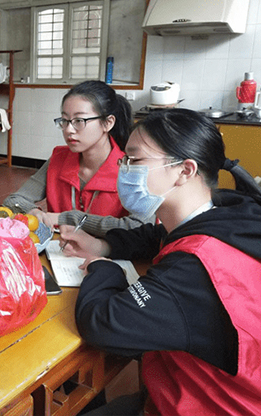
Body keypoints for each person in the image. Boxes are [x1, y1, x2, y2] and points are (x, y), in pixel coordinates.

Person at [60, 109, 261, 415]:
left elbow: (102, 324)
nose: (123, 170)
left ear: (185, 170)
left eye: (134, 160)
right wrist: (104, 244)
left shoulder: (195, 268)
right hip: (191, 381)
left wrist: (103, 267)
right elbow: (157, 235)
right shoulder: (228, 213)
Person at [3, 80, 154, 237]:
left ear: (107, 123)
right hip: (59, 249)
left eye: (79, 121)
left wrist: (70, 219)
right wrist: (32, 211)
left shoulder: (132, 169)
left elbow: (140, 226)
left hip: (109, 252)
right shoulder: (58, 159)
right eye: (65, 120)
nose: (69, 130)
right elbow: (14, 200)